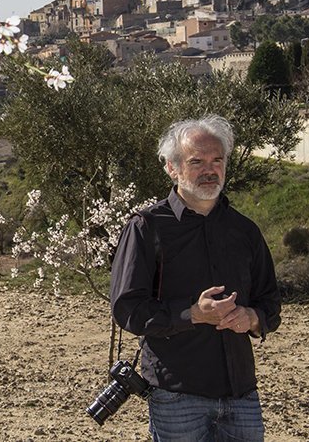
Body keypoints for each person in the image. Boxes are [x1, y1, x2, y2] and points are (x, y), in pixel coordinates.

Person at [110, 115, 281, 442]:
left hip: (241, 392)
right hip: (177, 395)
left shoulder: (244, 231)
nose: (210, 169)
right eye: (197, 161)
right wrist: (192, 314)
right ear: (172, 168)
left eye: (217, 160)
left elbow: (270, 302)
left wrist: (252, 318)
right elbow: (128, 309)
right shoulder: (147, 228)